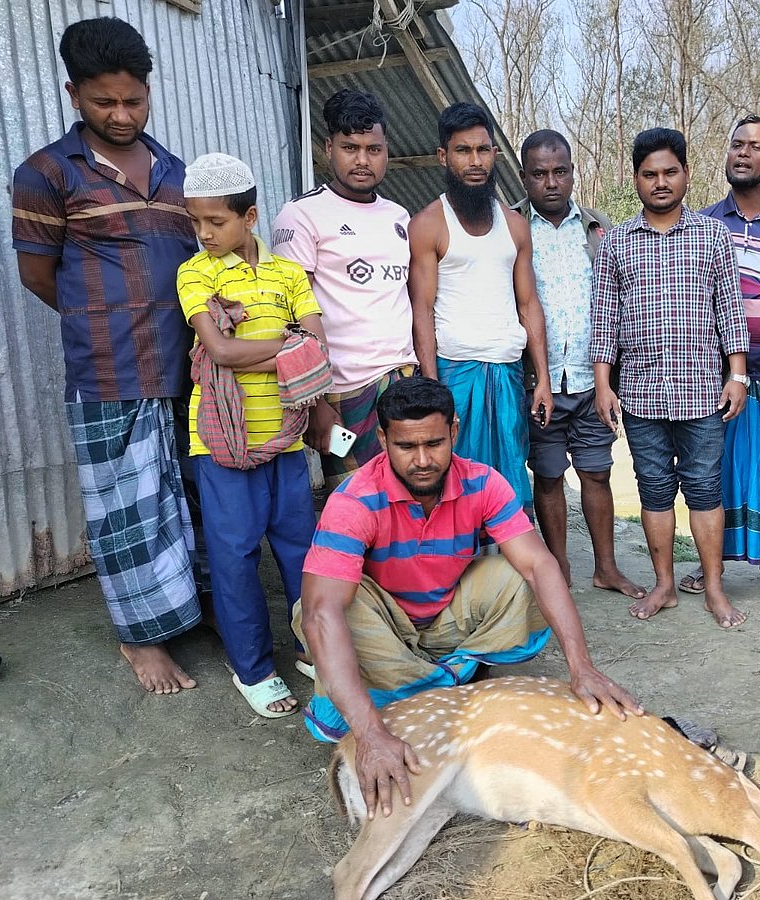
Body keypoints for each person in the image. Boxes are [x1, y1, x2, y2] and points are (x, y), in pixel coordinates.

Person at [293, 377, 641, 811]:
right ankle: (446, 685)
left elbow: (539, 565)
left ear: (455, 431)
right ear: (382, 439)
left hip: (443, 617)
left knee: (522, 574)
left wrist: (581, 666)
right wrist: (369, 734)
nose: (423, 461)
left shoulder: (483, 483)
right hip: (384, 627)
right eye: (406, 447)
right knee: (317, 609)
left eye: (435, 443)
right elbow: (321, 614)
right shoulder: (354, 500)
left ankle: (424, 686)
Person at [12, 17, 203, 693]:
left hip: (186, 368)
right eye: (104, 102)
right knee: (125, 509)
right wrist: (102, 320)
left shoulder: (177, 172)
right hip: (109, 369)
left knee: (183, 498)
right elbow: (39, 276)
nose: (121, 115)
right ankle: (139, 639)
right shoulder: (45, 174)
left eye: (134, 101)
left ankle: (181, 611)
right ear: (73, 94)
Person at [178, 153, 329, 718]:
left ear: (250, 216)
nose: (203, 234)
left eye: (214, 222)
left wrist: (267, 351)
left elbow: (318, 345)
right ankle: (253, 669)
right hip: (222, 446)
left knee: (301, 553)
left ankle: (313, 645)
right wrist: (290, 348)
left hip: (287, 441)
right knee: (235, 558)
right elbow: (219, 351)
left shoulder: (288, 274)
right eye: (195, 222)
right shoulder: (195, 273)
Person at [590, 128, 750, 628]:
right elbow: (604, 318)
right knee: (654, 489)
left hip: (703, 393)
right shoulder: (617, 241)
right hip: (639, 395)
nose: (660, 182)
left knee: (705, 489)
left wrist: (738, 375)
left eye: (669, 172)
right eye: (649, 174)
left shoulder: (712, 235)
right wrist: (603, 383)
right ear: (635, 179)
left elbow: (731, 308)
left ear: (686, 174)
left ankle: (714, 588)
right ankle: (664, 584)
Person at [512, 129, 645, 600]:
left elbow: (618, 301)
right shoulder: (510, 228)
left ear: (572, 173)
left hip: (593, 377)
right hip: (538, 381)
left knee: (597, 473)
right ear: (524, 177)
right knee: (547, 475)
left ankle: (606, 567)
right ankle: (560, 569)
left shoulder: (598, 228)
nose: (551, 182)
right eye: (540, 174)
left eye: (560, 172)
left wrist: (615, 373)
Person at [408, 103, 552, 519]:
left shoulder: (515, 225)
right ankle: (459, 574)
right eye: (463, 150)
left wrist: (541, 379)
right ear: (443, 156)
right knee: (453, 484)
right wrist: (434, 390)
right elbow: (422, 311)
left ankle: (509, 574)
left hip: (506, 373)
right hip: (456, 374)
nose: (475, 161)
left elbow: (529, 304)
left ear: (495, 155)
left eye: (483, 150)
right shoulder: (429, 224)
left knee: (508, 486)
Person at [271, 89, 416, 491]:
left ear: (386, 150)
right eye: (350, 147)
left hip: (402, 378)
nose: (362, 160)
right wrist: (315, 403)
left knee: (412, 496)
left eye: (373, 149)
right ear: (328, 148)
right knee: (355, 504)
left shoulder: (398, 217)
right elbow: (291, 318)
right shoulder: (301, 216)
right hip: (342, 390)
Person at [689, 115, 760, 596]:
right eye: (737, 144)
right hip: (716, 373)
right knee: (712, 466)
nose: (743, 153)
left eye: (755, 147)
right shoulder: (704, 223)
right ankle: (709, 564)